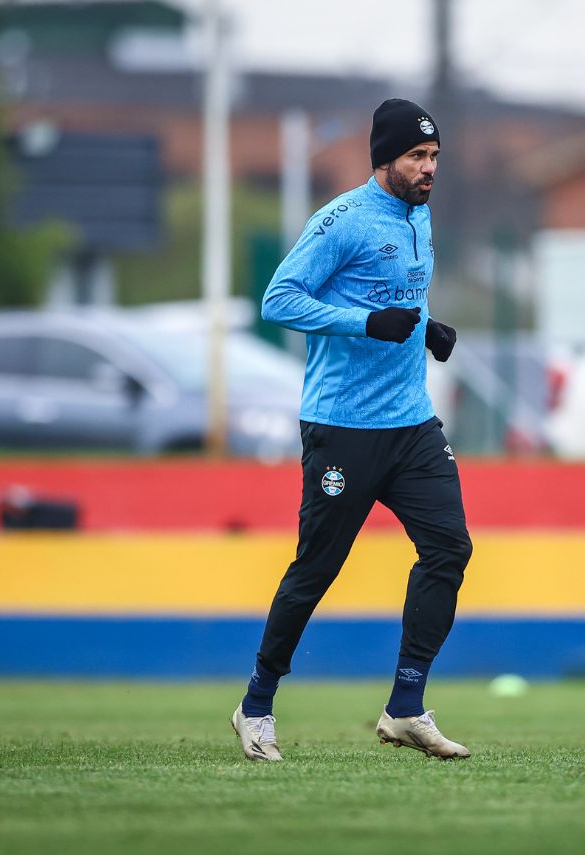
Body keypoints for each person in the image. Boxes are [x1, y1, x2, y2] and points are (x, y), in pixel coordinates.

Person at [231, 98, 472, 762]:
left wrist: (428, 329)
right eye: (418, 157)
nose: (429, 169)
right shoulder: (339, 220)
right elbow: (278, 299)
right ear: (385, 158)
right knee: (317, 568)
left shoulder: (420, 213)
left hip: (411, 424)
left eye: (434, 158)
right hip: (343, 426)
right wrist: (363, 324)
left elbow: (397, 298)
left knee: (449, 548)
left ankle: (405, 706)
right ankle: (255, 705)